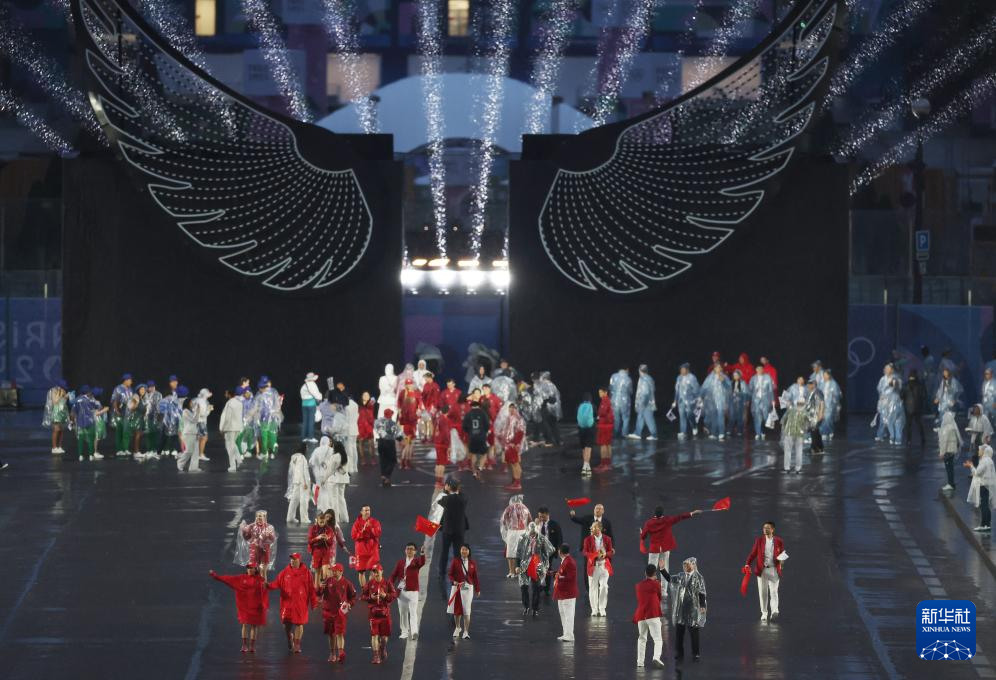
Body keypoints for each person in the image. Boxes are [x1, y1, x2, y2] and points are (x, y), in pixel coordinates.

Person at [210, 563, 269, 653]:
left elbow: (265, 587)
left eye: (252, 568)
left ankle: (252, 646)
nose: (249, 570)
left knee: (254, 626)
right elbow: (228, 579)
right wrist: (215, 576)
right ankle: (244, 645)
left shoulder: (260, 579)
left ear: (255, 569)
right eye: (248, 568)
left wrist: (264, 570)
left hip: (256, 607)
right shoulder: (241, 578)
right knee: (244, 624)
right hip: (245, 607)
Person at [269, 552, 317, 653]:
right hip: (287, 603)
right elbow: (277, 583)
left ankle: (297, 644)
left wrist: (314, 602)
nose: (292, 561)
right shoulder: (284, 572)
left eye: (294, 559)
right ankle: (289, 636)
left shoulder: (306, 573)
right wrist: (268, 586)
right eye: (291, 559)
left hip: (300, 603)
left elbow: (311, 589)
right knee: (286, 624)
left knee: (300, 623)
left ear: (299, 560)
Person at [640, 506, 702, 576]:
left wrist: (641, 533)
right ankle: (664, 583)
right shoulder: (667, 520)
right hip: (665, 548)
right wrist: (692, 513)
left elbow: (643, 536)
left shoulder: (649, 523)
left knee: (651, 569)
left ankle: (650, 582)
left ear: (655, 513)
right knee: (664, 568)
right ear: (662, 513)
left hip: (654, 549)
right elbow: (680, 517)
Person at [744, 521, 787, 622]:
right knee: (763, 592)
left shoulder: (779, 541)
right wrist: (747, 563)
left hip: (774, 570)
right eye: (764, 528)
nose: (765, 529)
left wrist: (782, 562)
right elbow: (753, 553)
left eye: (767, 528)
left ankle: (774, 611)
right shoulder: (759, 540)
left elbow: (782, 554)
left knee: (774, 591)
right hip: (762, 570)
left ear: (772, 529)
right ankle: (764, 613)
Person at [669, 557, 707, 662]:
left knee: (694, 632)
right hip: (681, 609)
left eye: (687, 565)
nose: (685, 567)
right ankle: (679, 653)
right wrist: (662, 570)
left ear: (693, 565)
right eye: (684, 565)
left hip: (693, 609)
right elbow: (670, 579)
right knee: (679, 633)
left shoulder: (698, 577)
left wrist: (702, 606)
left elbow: (702, 592)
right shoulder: (681, 576)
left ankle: (696, 653)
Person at [319, 563, 357, 663]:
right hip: (328, 611)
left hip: (340, 612)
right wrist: (320, 588)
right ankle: (332, 653)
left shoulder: (347, 583)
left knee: (340, 633)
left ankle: (340, 653)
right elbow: (318, 593)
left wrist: (350, 604)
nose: (333, 572)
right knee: (331, 634)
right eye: (332, 570)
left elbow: (353, 597)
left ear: (341, 571)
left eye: (335, 570)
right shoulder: (327, 581)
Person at [515, 521, 555, 617]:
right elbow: (518, 552)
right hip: (524, 565)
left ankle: (535, 608)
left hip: (537, 564)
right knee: (523, 586)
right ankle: (526, 607)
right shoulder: (523, 537)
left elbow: (549, 550)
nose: (532, 534)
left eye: (533, 533)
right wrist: (517, 566)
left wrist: (544, 563)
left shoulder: (541, 538)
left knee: (536, 588)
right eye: (531, 532)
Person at [360, 564, 398, 664]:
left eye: (377, 571)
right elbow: (362, 596)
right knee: (374, 635)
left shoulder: (387, 583)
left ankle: (382, 647)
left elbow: (394, 595)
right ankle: (376, 656)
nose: (376, 573)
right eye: (374, 572)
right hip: (373, 614)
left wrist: (385, 595)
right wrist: (370, 597)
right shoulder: (370, 584)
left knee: (384, 638)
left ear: (382, 571)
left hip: (385, 614)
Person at [390, 543, 426, 640]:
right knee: (403, 613)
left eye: (411, 549)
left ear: (415, 552)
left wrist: (422, 553)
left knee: (413, 613)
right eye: (408, 549)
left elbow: (422, 563)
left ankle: (414, 632)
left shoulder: (417, 561)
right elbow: (394, 575)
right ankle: (404, 632)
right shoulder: (400, 562)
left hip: (413, 592)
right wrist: (389, 585)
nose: (409, 550)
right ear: (405, 550)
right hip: (401, 591)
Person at [437, 479, 470, 580]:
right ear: (458, 488)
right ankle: (458, 572)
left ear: (449, 487)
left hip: (447, 529)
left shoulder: (446, 499)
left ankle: (442, 572)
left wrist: (445, 491)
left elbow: (439, 501)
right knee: (458, 553)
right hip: (459, 529)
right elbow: (461, 495)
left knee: (444, 552)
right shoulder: (463, 499)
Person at [634, 564, 665, 668]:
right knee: (657, 639)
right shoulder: (656, 584)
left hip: (641, 615)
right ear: (655, 573)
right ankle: (656, 657)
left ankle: (640, 663)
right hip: (653, 614)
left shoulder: (638, 586)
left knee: (642, 638)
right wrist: (656, 582)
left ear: (645, 573)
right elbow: (659, 597)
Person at [311, 437, 350, 522]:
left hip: (334, 480)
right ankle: (345, 518)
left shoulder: (334, 457)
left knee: (334, 499)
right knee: (341, 498)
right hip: (344, 479)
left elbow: (330, 470)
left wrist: (324, 479)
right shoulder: (346, 457)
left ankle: (336, 518)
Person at [447, 544, 480, 639]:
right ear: (460, 551)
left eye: (466, 549)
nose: (464, 551)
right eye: (462, 549)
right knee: (457, 609)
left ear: (469, 551)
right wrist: (454, 581)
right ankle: (457, 627)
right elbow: (450, 574)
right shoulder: (455, 561)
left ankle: (466, 632)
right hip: (457, 587)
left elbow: (475, 577)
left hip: (468, 588)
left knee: (466, 610)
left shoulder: (472, 563)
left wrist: (477, 589)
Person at [309, 510, 348, 586]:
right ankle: (319, 588)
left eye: (330, 517)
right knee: (318, 572)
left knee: (328, 571)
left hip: (330, 550)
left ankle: (328, 586)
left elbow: (338, 537)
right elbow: (310, 540)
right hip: (318, 551)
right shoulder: (315, 526)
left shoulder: (334, 527)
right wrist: (311, 548)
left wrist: (343, 546)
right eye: (326, 516)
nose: (327, 519)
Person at [583, 521, 614, 617]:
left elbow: (610, 552)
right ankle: (594, 609)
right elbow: (585, 552)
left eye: (594, 527)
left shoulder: (607, 539)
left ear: (599, 528)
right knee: (593, 588)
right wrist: (595, 555)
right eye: (591, 527)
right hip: (593, 566)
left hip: (604, 566)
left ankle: (602, 608)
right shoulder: (587, 539)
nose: (591, 529)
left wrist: (605, 554)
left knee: (604, 586)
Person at [237, 510, 278, 581]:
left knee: (263, 571)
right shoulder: (252, 526)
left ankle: (263, 586)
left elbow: (272, 539)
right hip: (254, 552)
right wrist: (243, 531)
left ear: (265, 517)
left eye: (260, 517)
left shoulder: (269, 527)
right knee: (253, 571)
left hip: (264, 552)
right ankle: (254, 585)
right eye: (257, 517)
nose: (259, 518)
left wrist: (267, 535)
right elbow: (247, 538)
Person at [965, 441, 995, 532]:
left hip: (983, 485)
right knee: (986, 504)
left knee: (984, 505)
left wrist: (970, 466)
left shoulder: (984, 461)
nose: (979, 451)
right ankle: (987, 524)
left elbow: (977, 473)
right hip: (988, 484)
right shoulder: (989, 460)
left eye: (980, 450)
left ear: (984, 451)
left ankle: (984, 525)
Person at [496, 403, 527, 490]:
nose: (511, 410)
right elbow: (506, 430)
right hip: (508, 444)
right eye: (510, 408)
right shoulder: (509, 418)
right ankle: (514, 480)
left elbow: (520, 432)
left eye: (513, 408)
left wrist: (515, 443)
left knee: (515, 463)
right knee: (512, 463)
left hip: (513, 445)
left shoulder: (519, 419)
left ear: (516, 409)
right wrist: (501, 436)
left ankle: (517, 483)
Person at [501, 494, 531, 577]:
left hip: (512, 532)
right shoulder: (525, 508)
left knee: (510, 552)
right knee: (521, 552)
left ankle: (511, 571)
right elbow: (530, 520)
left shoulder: (509, 508)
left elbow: (503, 521)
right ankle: (520, 571)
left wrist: (506, 529)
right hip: (522, 531)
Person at [351, 506, 382, 587]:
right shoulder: (356, 524)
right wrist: (363, 530)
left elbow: (378, 534)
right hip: (361, 552)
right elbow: (354, 536)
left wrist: (370, 528)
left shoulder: (375, 522)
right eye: (365, 510)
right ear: (361, 512)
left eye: (368, 510)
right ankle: (364, 591)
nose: (367, 512)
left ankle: (371, 589)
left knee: (373, 571)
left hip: (372, 551)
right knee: (361, 572)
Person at [553, 544, 577, 641]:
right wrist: (556, 574)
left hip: (568, 593)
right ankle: (566, 633)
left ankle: (570, 635)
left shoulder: (569, 562)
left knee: (568, 615)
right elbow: (564, 573)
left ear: (560, 552)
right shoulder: (565, 560)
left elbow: (571, 577)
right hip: (562, 592)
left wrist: (559, 577)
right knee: (563, 613)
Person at [256, 377, 283, 460]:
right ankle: (272, 452)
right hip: (273, 418)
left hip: (265, 418)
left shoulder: (260, 394)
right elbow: (278, 404)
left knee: (265, 436)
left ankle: (265, 453)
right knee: (272, 435)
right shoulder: (274, 392)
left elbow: (257, 407)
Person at [875, 365, 903, 444]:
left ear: (892, 370)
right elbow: (879, 389)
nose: (885, 370)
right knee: (883, 419)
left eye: (887, 369)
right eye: (885, 369)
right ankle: (880, 434)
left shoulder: (896, 378)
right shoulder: (882, 379)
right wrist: (881, 398)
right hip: (884, 402)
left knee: (894, 420)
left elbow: (899, 388)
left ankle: (895, 437)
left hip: (894, 402)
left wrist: (894, 384)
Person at [462, 399, 490, 479]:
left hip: (472, 437)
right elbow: (487, 425)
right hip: (481, 436)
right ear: (479, 406)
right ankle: (480, 468)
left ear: (471, 406)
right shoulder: (483, 413)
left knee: (473, 454)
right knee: (484, 454)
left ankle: (474, 472)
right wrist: (484, 432)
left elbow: (464, 427)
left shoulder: (468, 414)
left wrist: (470, 432)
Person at [374, 409, 403, 487]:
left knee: (383, 460)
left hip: (381, 442)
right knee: (392, 460)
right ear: (390, 415)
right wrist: (400, 440)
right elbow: (398, 435)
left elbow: (377, 431)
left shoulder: (378, 422)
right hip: (390, 443)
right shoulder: (393, 423)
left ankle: (383, 474)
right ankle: (387, 476)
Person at [702, 364, 731, 440]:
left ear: (721, 368)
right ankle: (714, 433)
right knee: (713, 416)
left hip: (721, 399)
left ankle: (721, 432)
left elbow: (729, 388)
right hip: (711, 400)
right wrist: (701, 396)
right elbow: (704, 387)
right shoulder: (710, 378)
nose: (718, 368)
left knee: (720, 415)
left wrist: (723, 382)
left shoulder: (724, 377)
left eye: (719, 367)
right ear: (714, 369)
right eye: (717, 367)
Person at [672, 364, 701, 440]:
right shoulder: (679, 378)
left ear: (687, 370)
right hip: (681, 400)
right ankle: (683, 432)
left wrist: (698, 399)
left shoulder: (692, 377)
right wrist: (675, 400)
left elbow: (696, 389)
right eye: (681, 369)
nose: (681, 371)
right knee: (682, 416)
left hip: (690, 401)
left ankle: (694, 426)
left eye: (683, 369)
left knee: (689, 415)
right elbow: (677, 390)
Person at [219, 387, 245, 471]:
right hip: (238, 427)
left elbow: (227, 417)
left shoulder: (229, 403)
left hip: (230, 427)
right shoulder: (239, 403)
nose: (225, 394)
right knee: (233, 444)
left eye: (226, 393)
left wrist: (222, 428)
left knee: (229, 447)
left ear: (229, 394)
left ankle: (233, 466)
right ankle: (239, 460)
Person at [535, 371, 563, 447]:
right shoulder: (553, 385)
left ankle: (549, 440)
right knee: (554, 424)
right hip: (554, 408)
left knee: (545, 424)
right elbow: (557, 397)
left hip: (546, 407)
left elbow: (542, 396)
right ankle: (559, 440)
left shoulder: (543, 385)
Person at [398, 380, 422, 469]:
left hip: (412, 422)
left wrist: (418, 411)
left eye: (410, 384)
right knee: (407, 444)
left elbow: (419, 405)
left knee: (410, 443)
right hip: (407, 423)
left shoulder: (416, 393)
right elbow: (399, 407)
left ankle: (407, 461)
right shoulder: (403, 393)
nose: (409, 386)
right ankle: (403, 462)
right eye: (408, 384)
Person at [781, 397, 808, 474]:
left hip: (789, 433)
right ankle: (798, 468)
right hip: (799, 433)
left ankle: (787, 468)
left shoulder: (790, 410)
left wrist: (783, 430)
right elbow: (808, 424)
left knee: (788, 450)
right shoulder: (805, 412)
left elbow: (783, 420)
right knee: (799, 451)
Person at [43, 380, 70, 454]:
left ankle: (59, 447)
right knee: (56, 429)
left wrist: (66, 397)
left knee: (61, 430)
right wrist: (61, 395)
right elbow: (55, 401)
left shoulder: (63, 390)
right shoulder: (53, 391)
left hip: (62, 412)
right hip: (56, 412)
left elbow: (64, 402)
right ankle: (54, 447)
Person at [110, 373, 134, 457]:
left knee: (127, 431)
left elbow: (132, 400)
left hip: (128, 413)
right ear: (125, 380)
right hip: (120, 413)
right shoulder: (118, 389)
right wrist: (117, 411)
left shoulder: (130, 389)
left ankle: (125, 448)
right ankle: (119, 449)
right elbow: (114, 400)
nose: (131, 382)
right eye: (130, 380)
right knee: (119, 431)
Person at [749, 365, 775, 440]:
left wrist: (772, 399)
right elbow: (749, 388)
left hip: (765, 399)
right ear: (756, 370)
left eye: (761, 369)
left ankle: (763, 430)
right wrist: (754, 391)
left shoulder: (767, 377)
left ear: (763, 370)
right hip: (756, 400)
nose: (760, 370)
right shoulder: (753, 378)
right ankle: (758, 432)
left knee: (765, 416)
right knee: (757, 416)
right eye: (758, 369)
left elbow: (771, 389)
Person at [178, 391, 200, 472]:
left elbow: (196, 420)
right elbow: (194, 420)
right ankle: (180, 463)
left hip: (194, 432)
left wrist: (197, 412)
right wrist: (197, 411)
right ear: (187, 403)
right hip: (188, 433)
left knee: (195, 451)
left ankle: (194, 467)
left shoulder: (191, 411)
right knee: (189, 451)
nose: (192, 404)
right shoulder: (185, 411)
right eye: (191, 402)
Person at [609, 367, 633, 438]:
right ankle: (624, 433)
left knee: (616, 418)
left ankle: (615, 432)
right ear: (626, 369)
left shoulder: (613, 376)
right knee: (625, 418)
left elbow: (610, 388)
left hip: (614, 400)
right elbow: (630, 391)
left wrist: (610, 398)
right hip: (624, 401)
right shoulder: (628, 379)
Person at [595, 387, 614, 472]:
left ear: (605, 392)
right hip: (609, 425)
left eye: (601, 392)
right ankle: (608, 464)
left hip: (604, 426)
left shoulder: (605, 400)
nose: (599, 394)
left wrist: (598, 415)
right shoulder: (608, 400)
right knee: (608, 444)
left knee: (603, 445)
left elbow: (602, 412)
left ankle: (604, 464)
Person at [141, 380, 163, 458]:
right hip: (147, 417)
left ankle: (154, 450)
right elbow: (143, 405)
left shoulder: (159, 394)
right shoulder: (145, 395)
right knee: (148, 434)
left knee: (155, 434)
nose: (152, 388)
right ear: (147, 388)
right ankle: (149, 450)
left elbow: (160, 406)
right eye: (150, 387)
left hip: (156, 417)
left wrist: (159, 416)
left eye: (153, 386)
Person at [576, 393, 595, 476]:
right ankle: (586, 466)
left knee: (583, 448)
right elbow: (596, 416)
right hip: (590, 429)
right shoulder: (592, 406)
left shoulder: (579, 406)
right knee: (588, 448)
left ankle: (585, 466)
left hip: (581, 429)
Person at [300, 372, 322, 443]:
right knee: (311, 421)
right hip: (311, 404)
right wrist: (320, 397)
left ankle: (304, 437)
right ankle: (310, 437)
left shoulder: (304, 385)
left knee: (305, 421)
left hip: (304, 404)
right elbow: (317, 395)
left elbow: (302, 395)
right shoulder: (312, 384)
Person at [820, 369, 842, 440]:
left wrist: (833, 395)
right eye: (824, 375)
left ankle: (829, 431)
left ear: (829, 375)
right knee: (823, 418)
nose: (824, 376)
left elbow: (838, 394)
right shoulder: (822, 383)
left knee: (828, 418)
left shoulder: (834, 384)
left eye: (826, 375)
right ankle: (824, 433)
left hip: (830, 404)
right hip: (823, 404)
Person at [805, 380, 825, 454]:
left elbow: (822, 402)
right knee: (815, 430)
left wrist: (821, 413)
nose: (808, 385)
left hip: (816, 414)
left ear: (814, 384)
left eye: (810, 384)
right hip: (811, 414)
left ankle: (814, 447)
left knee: (814, 430)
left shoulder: (818, 392)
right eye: (808, 384)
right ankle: (820, 447)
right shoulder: (809, 392)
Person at [729, 370, 750, 438]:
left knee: (740, 416)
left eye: (737, 375)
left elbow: (746, 392)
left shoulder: (743, 383)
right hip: (732, 401)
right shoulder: (731, 382)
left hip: (740, 401)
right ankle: (730, 429)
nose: (735, 376)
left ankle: (739, 430)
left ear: (739, 376)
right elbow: (728, 392)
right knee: (732, 415)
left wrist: (746, 401)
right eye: (734, 375)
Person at [126, 384, 147, 455]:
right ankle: (136, 451)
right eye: (141, 389)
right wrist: (136, 404)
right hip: (136, 418)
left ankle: (137, 450)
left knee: (139, 435)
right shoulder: (136, 397)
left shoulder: (142, 398)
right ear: (138, 390)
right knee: (137, 435)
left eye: (144, 390)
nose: (143, 391)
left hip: (141, 418)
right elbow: (131, 407)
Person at [193, 388, 213, 462]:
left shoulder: (197, 400)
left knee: (199, 438)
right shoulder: (202, 402)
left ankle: (197, 453)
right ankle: (200, 454)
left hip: (197, 421)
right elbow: (202, 414)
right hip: (201, 421)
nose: (210, 394)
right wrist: (209, 410)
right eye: (208, 393)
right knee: (204, 438)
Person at [358, 392, 376, 466]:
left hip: (369, 426)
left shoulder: (371, 404)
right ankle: (362, 459)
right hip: (361, 425)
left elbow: (373, 399)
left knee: (371, 443)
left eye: (368, 395)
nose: (366, 396)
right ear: (362, 396)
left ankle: (373, 459)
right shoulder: (359, 405)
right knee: (361, 443)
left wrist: (371, 399)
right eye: (364, 395)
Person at [344, 393, 360, 474]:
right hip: (355, 428)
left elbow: (346, 419)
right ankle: (355, 467)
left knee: (349, 449)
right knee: (354, 448)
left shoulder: (346, 406)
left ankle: (350, 467)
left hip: (349, 429)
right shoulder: (356, 405)